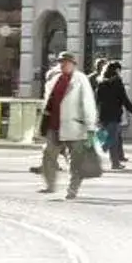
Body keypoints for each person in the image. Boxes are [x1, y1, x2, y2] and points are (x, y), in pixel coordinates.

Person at [38, 51, 101, 199]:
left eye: (66, 62)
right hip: (55, 125)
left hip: (75, 126)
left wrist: (90, 126)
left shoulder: (80, 80)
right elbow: (48, 103)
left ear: (73, 64)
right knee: (48, 155)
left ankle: (72, 189)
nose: (63, 64)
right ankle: (50, 185)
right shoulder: (54, 80)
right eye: (61, 62)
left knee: (75, 161)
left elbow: (88, 104)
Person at [92, 60, 132, 169]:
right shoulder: (117, 82)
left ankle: (114, 163)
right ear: (116, 70)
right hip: (114, 114)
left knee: (111, 139)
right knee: (111, 140)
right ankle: (96, 154)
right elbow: (124, 98)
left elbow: (96, 99)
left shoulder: (101, 82)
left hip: (103, 114)